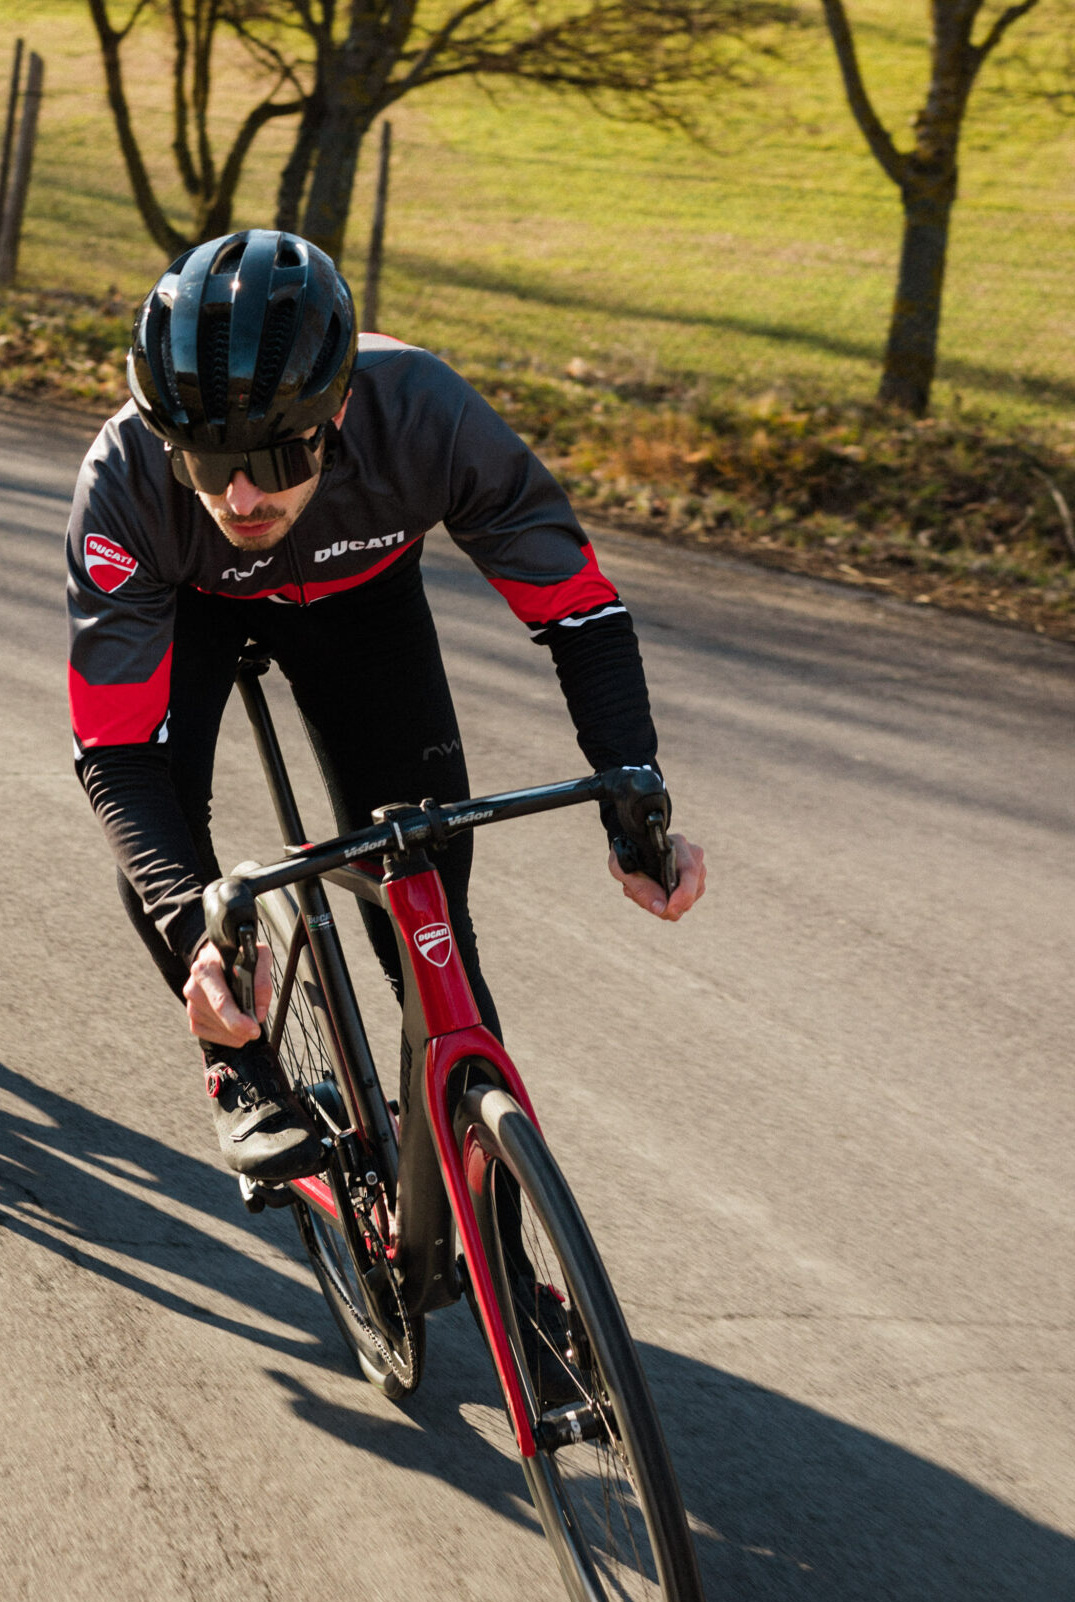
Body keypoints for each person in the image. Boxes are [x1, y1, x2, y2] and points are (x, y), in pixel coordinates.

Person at [64, 229, 707, 1181]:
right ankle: (238, 1063)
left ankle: (479, 1191)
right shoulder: (123, 478)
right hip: (192, 603)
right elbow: (117, 753)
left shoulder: (424, 411)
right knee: (175, 847)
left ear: (338, 412)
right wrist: (198, 940)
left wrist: (633, 787)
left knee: (423, 888)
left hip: (360, 598)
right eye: (206, 461)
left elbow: (578, 610)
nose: (241, 497)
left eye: (276, 458)